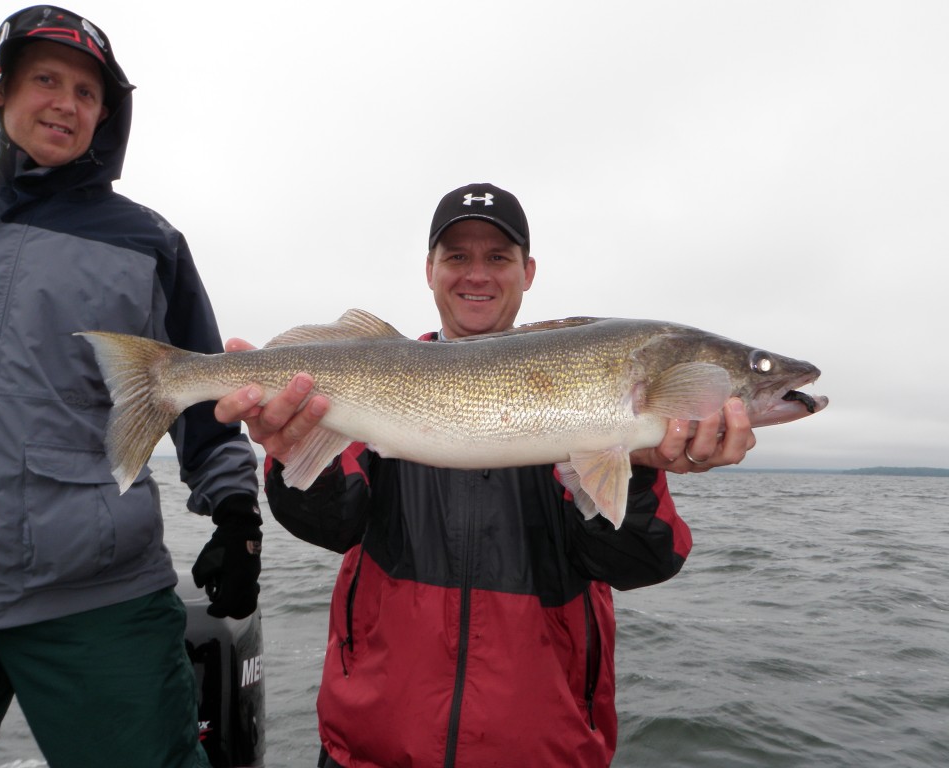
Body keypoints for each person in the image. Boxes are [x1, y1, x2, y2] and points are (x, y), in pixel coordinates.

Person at [215, 183, 755, 767]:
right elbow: (329, 523)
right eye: (457, 256)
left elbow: (639, 564)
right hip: (371, 749)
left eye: (498, 257)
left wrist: (641, 475)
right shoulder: (370, 382)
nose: (477, 274)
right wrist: (291, 448)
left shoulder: (608, 417)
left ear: (528, 271)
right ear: (430, 270)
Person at [0, 7, 263, 768]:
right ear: (0, 92)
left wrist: (236, 513)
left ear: (106, 114)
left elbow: (202, 398)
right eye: (46, 80)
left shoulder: (148, 242)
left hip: (96, 599)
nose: (66, 104)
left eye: (86, 92)